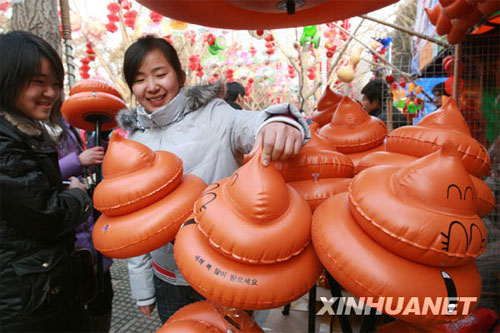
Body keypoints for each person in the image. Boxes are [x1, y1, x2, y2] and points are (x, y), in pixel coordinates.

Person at [116, 35, 310, 323]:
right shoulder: (133, 141)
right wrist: (143, 288)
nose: (152, 86)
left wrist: (279, 123)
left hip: (224, 272)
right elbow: (135, 223)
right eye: (140, 78)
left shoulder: (216, 115)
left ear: (180, 76)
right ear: (132, 86)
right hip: (169, 278)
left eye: (160, 74)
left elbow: (252, 124)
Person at [0, 30, 91, 331]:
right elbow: (46, 214)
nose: (50, 93)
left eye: (55, 84)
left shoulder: (26, 133)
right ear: (8, 79)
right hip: (26, 303)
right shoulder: (5, 143)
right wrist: (78, 195)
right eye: (38, 82)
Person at [45, 112, 114, 332]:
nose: (50, 92)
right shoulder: (18, 132)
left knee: (101, 305)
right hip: (64, 248)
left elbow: (89, 167)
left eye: (56, 85)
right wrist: (76, 162)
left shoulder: (66, 125)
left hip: (92, 242)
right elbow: (30, 178)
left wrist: (100, 138)